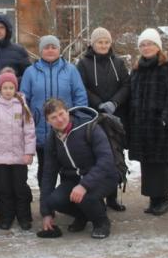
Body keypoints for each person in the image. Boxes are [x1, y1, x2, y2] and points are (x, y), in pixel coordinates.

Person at [38, 99, 119, 239]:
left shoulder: (89, 127)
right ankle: (83, 215)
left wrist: (84, 185)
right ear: (47, 121)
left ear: (67, 112)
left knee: (85, 197)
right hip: (74, 178)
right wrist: (46, 213)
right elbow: (48, 174)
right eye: (53, 117)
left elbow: (106, 160)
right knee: (54, 200)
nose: (59, 119)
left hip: (104, 176)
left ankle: (101, 222)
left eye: (61, 114)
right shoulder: (52, 138)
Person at [20, 35, 87, 188]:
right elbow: (23, 101)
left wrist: (76, 121)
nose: (50, 50)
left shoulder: (71, 70)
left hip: (67, 130)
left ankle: (68, 202)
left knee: (69, 170)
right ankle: (47, 203)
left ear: (59, 50)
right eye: (46, 47)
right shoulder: (30, 72)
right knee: (45, 170)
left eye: (53, 47)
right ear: (41, 50)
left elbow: (80, 96)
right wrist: (29, 123)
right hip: (41, 131)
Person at [76, 27, 130, 211]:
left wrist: (115, 102)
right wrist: (99, 104)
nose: (103, 45)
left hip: (115, 116)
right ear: (92, 43)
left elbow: (126, 85)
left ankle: (113, 197)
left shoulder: (119, 63)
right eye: (100, 42)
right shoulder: (83, 63)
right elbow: (82, 86)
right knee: (96, 157)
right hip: (94, 116)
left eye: (106, 42)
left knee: (114, 156)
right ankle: (97, 195)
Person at [128, 28, 168, 216]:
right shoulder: (137, 69)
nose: (146, 47)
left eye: (150, 44)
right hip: (141, 124)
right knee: (147, 164)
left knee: (160, 164)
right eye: (142, 45)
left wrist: (167, 117)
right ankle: (153, 199)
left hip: (161, 124)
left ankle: (163, 199)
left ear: (158, 46)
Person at [0, 72, 36, 230]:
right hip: (0, 157)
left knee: (20, 188)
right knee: (3, 189)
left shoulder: (23, 106)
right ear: (0, 89)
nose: (8, 91)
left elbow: (29, 131)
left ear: (15, 89)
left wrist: (29, 152)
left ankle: (24, 216)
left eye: (11, 88)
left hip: (19, 157)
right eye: (5, 88)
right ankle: (6, 216)